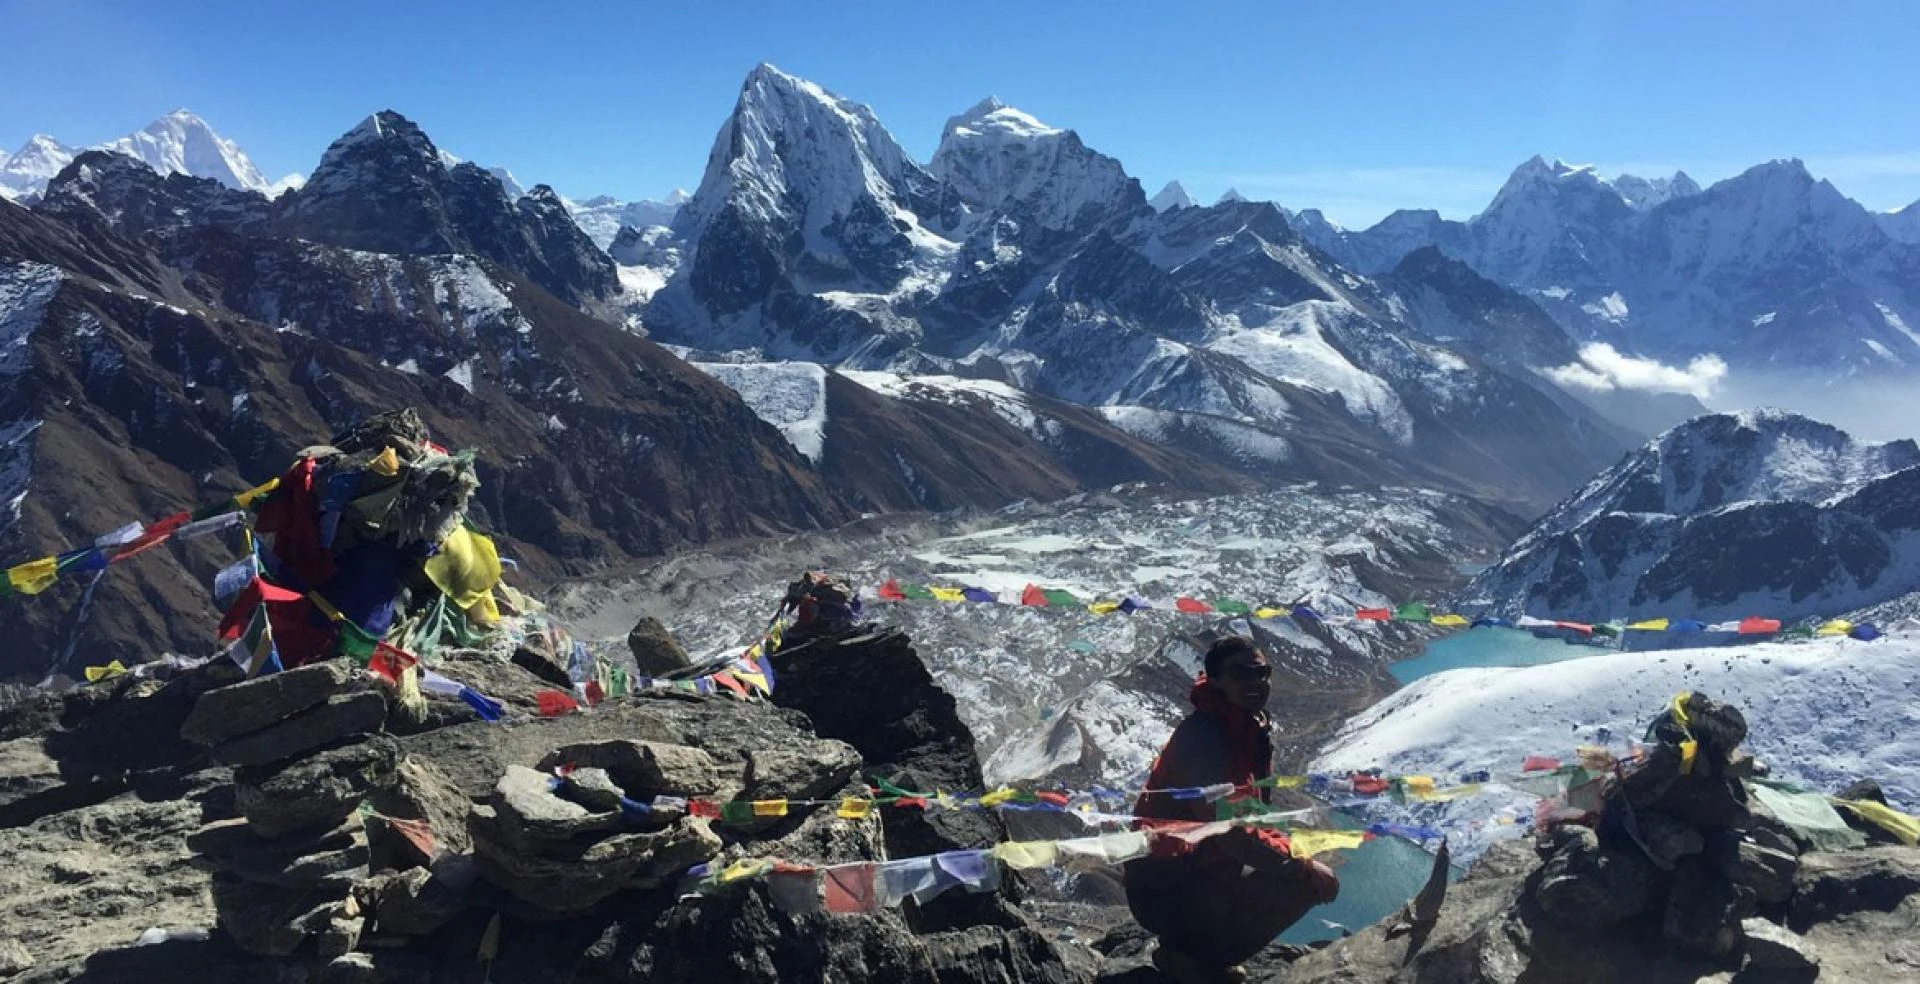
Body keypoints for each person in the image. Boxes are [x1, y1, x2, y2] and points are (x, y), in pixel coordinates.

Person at [1124, 635, 1339, 984]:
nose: (1255, 682)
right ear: (1215, 681)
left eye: (1262, 673)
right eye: (1241, 674)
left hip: (1197, 874)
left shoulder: (1246, 732)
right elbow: (1231, 834)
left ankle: (1194, 953)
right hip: (1165, 889)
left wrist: (1295, 855)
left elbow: (1249, 818)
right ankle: (1192, 961)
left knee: (1295, 870)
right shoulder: (1205, 739)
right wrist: (1303, 866)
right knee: (1304, 885)